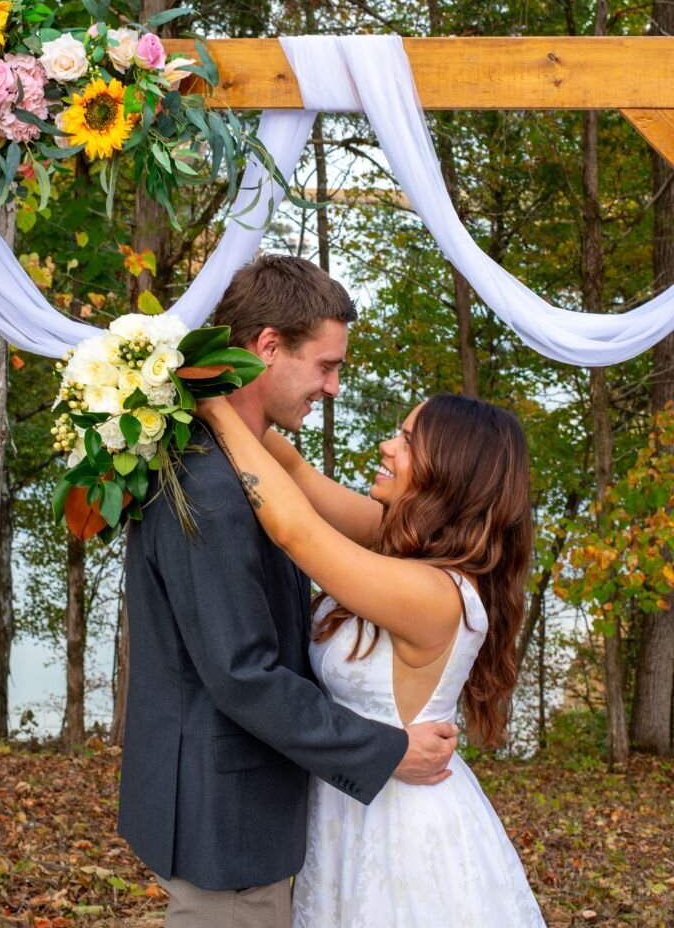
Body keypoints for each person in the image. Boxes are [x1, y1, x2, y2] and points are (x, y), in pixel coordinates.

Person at [117, 255, 458, 928]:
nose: (332, 387)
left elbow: (306, 502)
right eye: (326, 366)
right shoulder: (211, 491)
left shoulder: (226, 462)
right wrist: (385, 749)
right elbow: (245, 674)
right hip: (226, 824)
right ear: (268, 347)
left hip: (234, 809)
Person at [196, 389, 547, 926]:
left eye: (406, 441)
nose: (385, 446)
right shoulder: (396, 540)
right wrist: (203, 387)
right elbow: (295, 473)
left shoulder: (437, 594)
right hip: (350, 807)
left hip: (400, 828)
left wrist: (214, 409)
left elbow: (295, 530)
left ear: (448, 470)